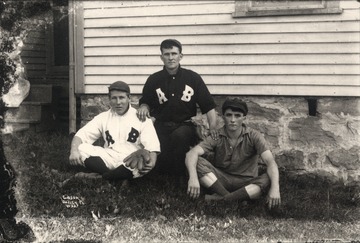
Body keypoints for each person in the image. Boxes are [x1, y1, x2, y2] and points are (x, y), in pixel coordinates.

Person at [137, 39, 218, 176]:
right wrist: (144, 107)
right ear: (161, 57)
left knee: (179, 137)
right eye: (167, 54)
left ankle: (180, 177)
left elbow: (208, 106)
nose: (170, 58)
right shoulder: (153, 79)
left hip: (185, 125)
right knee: (155, 143)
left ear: (181, 56)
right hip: (161, 124)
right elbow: (145, 102)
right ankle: (157, 175)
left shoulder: (193, 78)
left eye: (174, 54)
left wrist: (213, 127)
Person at [185, 98, 281, 209]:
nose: (232, 120)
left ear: (244, 118)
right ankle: (236, 199)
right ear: (223, 117)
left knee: (268, 178)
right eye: (229, 115)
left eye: (237, 116)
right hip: (221, 180)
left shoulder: (254, 136)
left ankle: (222, 199)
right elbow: (191, 154)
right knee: (196, 162)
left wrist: (275, 188)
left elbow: (270, 161)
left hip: (247, 182)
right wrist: (192, 178)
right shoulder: (217, 136)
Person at [69, 81, 160, 180]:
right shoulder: (103, 117)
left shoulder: (141, 117)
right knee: (81, 148)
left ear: (129, 98)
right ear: (109, 100)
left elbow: (152, 147)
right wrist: (74, 151)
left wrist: (151, 163)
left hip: (131, 159)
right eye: (114, 98)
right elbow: (81, 135)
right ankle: (114, 177)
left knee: (141, 162)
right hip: (109, 157)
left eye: (121, 97)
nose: (118, 102)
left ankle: (101, 177)